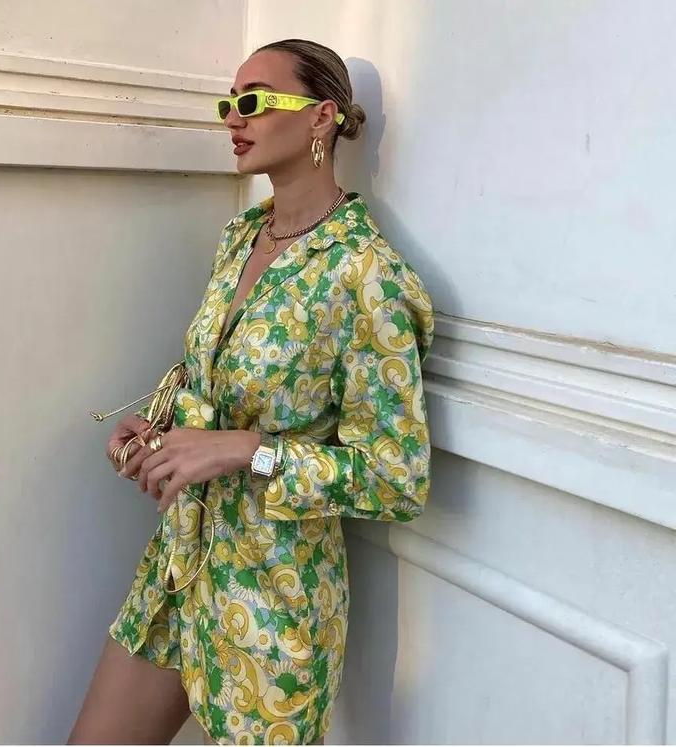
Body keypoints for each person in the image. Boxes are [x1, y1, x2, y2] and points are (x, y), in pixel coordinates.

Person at [68, 38, 434, 746]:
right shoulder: (240, 239)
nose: (234, 118)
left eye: (254, 101)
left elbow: (398, 477)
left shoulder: (367, 275)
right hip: (180, 567)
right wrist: (159, 432)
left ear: (322, 116)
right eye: (228, 104)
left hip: (274, 601)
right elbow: (215, 379)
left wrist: (244, 450)